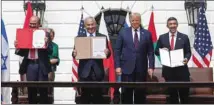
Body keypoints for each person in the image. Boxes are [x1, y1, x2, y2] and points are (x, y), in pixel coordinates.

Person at [114, 12, 155, 104]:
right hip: (126, 69)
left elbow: (151, 52)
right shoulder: (123, 32)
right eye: (133, 20)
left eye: (137, 20)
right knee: (126, 94)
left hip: (141, 68)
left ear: (140, 21)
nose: (135, 22)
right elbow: (117, 51)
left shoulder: (147, 34)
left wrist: (151, 67)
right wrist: (117, 66)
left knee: (140, 94)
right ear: (130, 21)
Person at [72, 16, 111, 104]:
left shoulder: (102, 37)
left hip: (97, 72)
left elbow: (108, 55)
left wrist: (107, 52)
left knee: (98, 98)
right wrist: (74, 54)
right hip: (84, 72)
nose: (90, 27)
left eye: (92, 24)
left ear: (96, 25)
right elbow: (74, 54)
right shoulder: (79, 38)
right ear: (85, 26)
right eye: (88, 25)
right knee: (85, 98)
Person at [14, 16, 53, 104]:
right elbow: (21, 52)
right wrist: (17, 46)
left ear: (39, 24)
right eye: (31, 23)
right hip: (30, 65)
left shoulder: (45, 34)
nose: (32, 25)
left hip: (41, 65)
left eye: (34, 23)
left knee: (43, 91)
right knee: (31, 91)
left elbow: (50, 51)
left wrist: (46, 43)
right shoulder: (25, 34)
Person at [155, 17, 191, 104]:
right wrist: (162, 50)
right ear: (167, 25)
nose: (173, 25)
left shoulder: (184, 37)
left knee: (184, 97)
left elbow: (188, 52)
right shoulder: (162, 37)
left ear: (177, 25)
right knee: (172, 97)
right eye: (170, 24)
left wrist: (186, 59)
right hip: (169, 72)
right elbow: (156, 51)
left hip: (182, 72)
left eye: (174, 23)